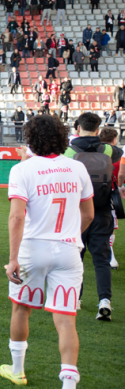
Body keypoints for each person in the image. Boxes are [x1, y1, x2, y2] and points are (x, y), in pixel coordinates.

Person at [0, 115, 94, 389]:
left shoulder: (22, 170)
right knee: (66, 319)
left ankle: (17, 370)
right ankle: (69, 384)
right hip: (68, 250)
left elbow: (16, 217)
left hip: (33, 248)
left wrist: (13, 259)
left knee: (21, 309)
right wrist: (71, 235)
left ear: (31, 139)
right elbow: (88, 214)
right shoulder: (77, 168)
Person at [64, 112, 121, 321]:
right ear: (98, 130)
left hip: (75, 212)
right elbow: (118, 152)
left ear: (77, 128)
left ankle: (75, 299)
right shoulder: (108, 149)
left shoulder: (67, 151)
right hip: (102, 210)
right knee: (102, 259)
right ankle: (104, 301)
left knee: (75, 258)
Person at [98, 127, 121, 269]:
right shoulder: (117, 156)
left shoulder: (92, 154)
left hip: (90, 193)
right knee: (109, 224)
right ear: (114, 139)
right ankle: (110, 256)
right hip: (109, 193)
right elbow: (120, 175)